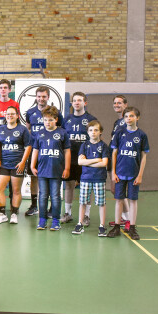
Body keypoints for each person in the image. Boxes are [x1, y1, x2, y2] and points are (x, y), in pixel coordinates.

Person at [107, 107, 149, 240]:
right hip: (120, 174)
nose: (128, 119)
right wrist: (113, 172)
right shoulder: (119, 133)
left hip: (134, 174)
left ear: (137, 118)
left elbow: (143, 157)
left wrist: (140, 175)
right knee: (119, 200)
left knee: (133, 200)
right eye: (126, 116)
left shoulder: (142, 135)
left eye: (131, 116)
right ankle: (117, 227)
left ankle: (132, 227)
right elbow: (114, 153)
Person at [25, 86, 63, 216]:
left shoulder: (56, 113)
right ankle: (34, 205)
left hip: (51, 151)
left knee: (52, 179)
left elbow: (60, 131)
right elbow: (28, 129)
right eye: (39, 96)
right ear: (36, 97)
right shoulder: (30, 112)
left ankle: (52, 207)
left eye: (44, 96)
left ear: (48, 97)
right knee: (34, 177)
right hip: (35, 149)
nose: (41, 99)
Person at [31, 106, 70, 231]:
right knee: (42, 196)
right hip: (42, 170)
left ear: (56, 120)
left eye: (51, 120)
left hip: (56, 170)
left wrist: (67, 168)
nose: (48, 122)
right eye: (46, 120)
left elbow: (67, 152)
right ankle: (42, 220)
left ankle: (55, 220)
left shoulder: (62, 133)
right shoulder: (39, 133)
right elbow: (35, 150)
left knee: (55, 196)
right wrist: (32, 165)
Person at [61, 92, 97, 225]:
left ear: (85, 103)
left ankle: (86, 215)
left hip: (85, 159)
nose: (77, 102)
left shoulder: (92, 119)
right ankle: (68, 213)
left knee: (86, 187)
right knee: (69, 185)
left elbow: (96, 139)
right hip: (70, 158)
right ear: (71, 103)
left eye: (80, 100)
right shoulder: (66, 119)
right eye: (74, 100)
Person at [0, 106, 31, 224]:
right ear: (5, 116)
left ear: (17, 116)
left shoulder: (22, 129)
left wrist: (23, 162)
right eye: (8, 114)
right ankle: (2, 214)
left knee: (16, 191)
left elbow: (28, 146)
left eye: (12, 114)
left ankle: (14, 214)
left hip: (17, 165)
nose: (10, 116)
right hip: (4, 165)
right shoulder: (1, 128)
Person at [72, 120, 109, 236]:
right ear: (88, 132)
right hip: (86, 178)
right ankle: (80, 224)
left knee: (101, 203)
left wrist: (87, 162)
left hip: (99, 178)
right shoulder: (84, 145)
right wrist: (96, 159)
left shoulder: (103, 146)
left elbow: (104, 164)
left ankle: (102, 226)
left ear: (100, 132)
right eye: (91, 130)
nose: (93, 132)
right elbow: (79, 162)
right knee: (83, 202)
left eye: (96, 130)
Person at [108, 95, 130, 229]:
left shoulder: (127, 121)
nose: (117, 105)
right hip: (113, 157)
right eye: (115, 103)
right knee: (114, 189)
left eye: (119, 103)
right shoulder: (117, 122)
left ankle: (128, 219)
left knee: (119, 189)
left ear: (125, 105)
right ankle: (123, 218)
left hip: (121, 160)